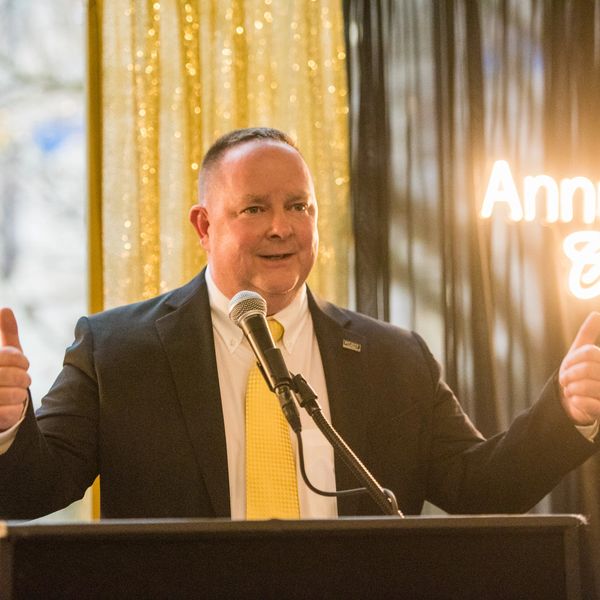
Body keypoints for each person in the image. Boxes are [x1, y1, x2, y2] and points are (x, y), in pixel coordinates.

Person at [0, 127, 599, 520]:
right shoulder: (117, 349)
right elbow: (32, 490)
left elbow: (480, 490)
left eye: (297, 207)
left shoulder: (395, 357)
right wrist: (5, 426)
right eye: (254, 209)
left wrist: (567, 412)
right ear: (205, 226)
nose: (280, 228)